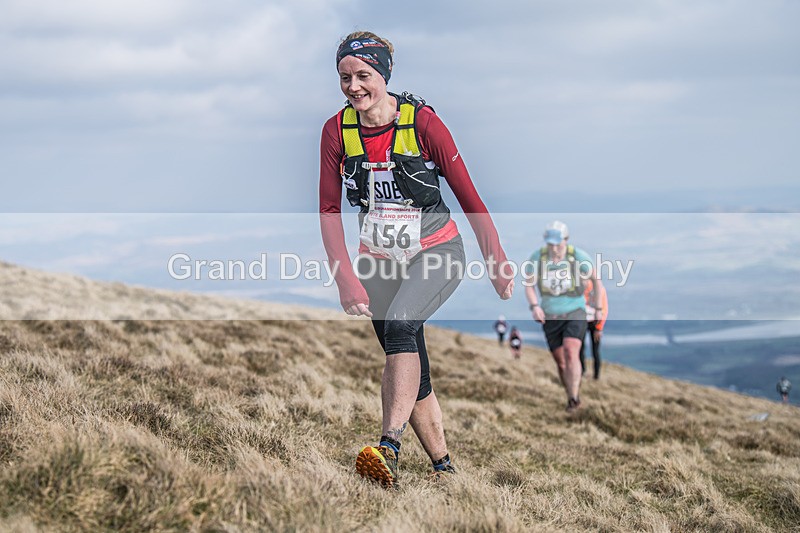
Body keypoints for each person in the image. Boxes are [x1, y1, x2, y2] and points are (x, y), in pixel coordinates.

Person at [319, 31, 514, 488]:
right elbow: (328, 210)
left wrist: (495, 257)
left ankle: (388, 446)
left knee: (402, 326)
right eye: (344, 77)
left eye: (363, 76)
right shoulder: (336, 131)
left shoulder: (422, 122)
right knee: (409, 362)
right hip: (378, 262)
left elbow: (468, 195)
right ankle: (445, 469)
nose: (353, 87)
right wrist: (344, 276)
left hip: (436, 251)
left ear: (383, 75)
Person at [523, 221, 605, 413]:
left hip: (575, 310)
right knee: (561, 362)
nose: (554, 247)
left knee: (571, 351)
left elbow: (596, 280)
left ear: (566, 240)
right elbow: (529, 285)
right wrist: (535, 306)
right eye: (550, 243)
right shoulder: (538, 258)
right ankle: (570, 395)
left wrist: (599, 308)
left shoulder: (577, 256)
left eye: (558, 243)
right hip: (550, 315)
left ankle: (574, 399)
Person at [579, 279, 607, 380]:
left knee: (595, 351)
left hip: (595, 323)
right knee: (579, 348)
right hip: (581, 322)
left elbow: (604, 309)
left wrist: (599, 328)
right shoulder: (577, 288)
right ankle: (581, 372)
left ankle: (596, 376)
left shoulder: (599, 289)